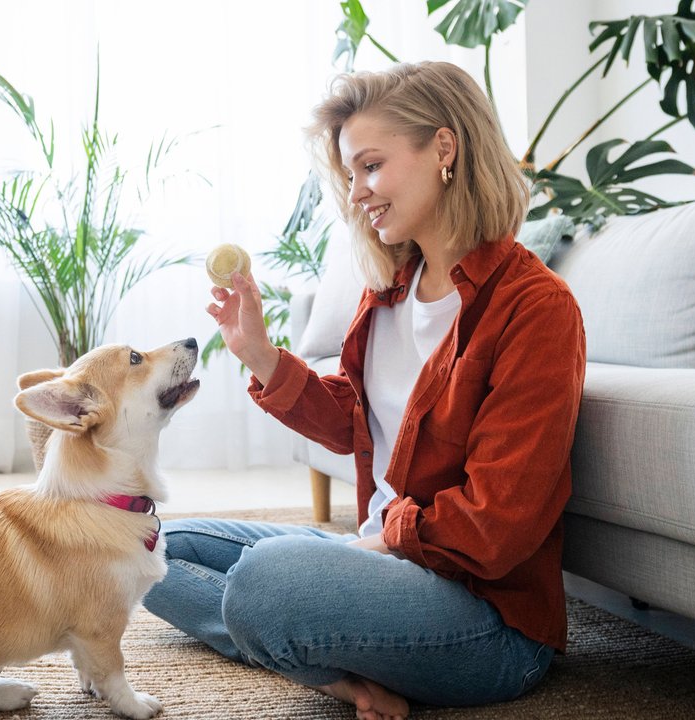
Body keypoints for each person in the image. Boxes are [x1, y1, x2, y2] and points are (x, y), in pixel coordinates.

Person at [143, 61, 586, 720]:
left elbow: (497, 523)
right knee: (147, 552)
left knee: (267, 583)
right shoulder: (391, 289)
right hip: (381, 559)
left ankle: (294, 627)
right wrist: (260, 354)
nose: (357, 193)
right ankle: (336, 674)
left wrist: (374, 543)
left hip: (483, 616)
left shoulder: (534, 308)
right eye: (350, 175)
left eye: (371, 167)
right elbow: (359, 420)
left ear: (444, 147)